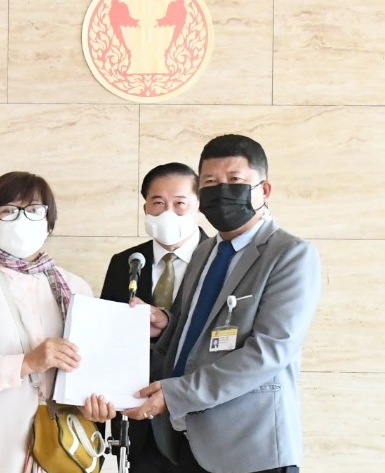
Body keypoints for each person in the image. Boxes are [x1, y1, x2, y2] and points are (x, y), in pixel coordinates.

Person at [124, 135, 322, 473]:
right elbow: (200, 329)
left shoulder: (290, 255)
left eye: (235, 180)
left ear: (264, 190)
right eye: (211, 183)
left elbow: (269, 351)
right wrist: (166, 326)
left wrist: (177, 394)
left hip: (251, 448)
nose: (222, 192)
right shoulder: (205, 252)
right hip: (186, 443)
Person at [0, 171, 116, 473]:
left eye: (34, 210)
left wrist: (94, 404)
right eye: (9, 211)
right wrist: (25, 363)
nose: (22, 219)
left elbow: (86, 372)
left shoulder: (75, 288)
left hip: (61, 453)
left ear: (49, 221)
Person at [99, 162, 208, 473]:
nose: (168, 212)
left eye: (179, 203)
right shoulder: (125, 263)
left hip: (200, 423)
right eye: (158, 202)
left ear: (198, 206)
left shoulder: (220, 260)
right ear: (145, 207)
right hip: (138, 425)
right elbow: (107, 339)